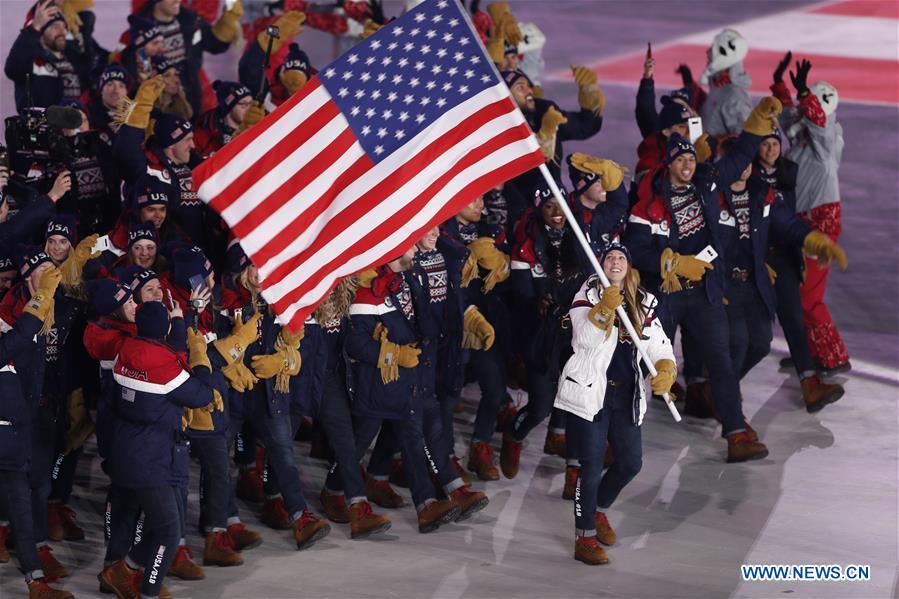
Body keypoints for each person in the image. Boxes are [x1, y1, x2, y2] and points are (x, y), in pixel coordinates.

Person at [625, 96, 783, 463]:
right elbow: (635, 249)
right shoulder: (649, 203)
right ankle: (617, 437)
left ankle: (735, 432)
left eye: (691, 159)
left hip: (704, 294)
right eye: (680, 159)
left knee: (722, 362)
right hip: (664, 295)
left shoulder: (707, 189)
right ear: (668, 163)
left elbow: (739, 159)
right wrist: (672, 262)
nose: (687, 165)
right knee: (641, 363)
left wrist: (756, 123)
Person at [554, 243, 675, 565]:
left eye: (622, 257)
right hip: (591, 393)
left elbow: (658, 344)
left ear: (630, 266)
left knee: (630, 462)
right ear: (601, 264)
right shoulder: (587, 295)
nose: (616, 261)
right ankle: (584, 537)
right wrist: (604, 310)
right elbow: (583, 340)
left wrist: (666, 367)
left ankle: (599, 510)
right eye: (610, 257)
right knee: (590, 467)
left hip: (627, 395)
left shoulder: (644, 300)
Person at [772, 57, 850, 376]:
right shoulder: (806, 138)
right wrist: (780, 84)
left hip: (821, 224)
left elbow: (814, 118)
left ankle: (833, 357)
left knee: (808, 297)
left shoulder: (827, 141)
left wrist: (804, 91)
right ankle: (806, 351)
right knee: (796, 292)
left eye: (812, 104)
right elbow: (791, 115)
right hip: (801, 223)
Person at [0, 265, 73, 599]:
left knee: (22, 508)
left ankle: (36, 581)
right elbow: (17, 339)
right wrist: (42, 296)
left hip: (11, 439)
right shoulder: (12, 334)